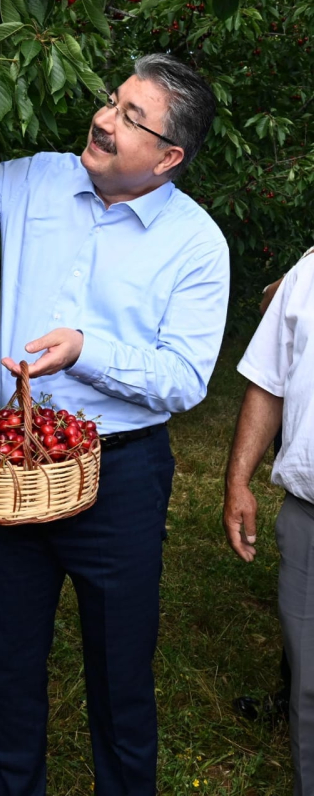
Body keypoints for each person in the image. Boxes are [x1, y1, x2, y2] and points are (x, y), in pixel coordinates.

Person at [0, 54, 229, 796]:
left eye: (132, 118)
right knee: (7, 669)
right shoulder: (39, 178)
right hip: (16, 469)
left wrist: (88, 351)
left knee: (121, 679)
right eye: (113, 102)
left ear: (170, 156)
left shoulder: (198, 247)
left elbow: (184, 379)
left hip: (122, 478)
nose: (105, 120)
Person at [224, 252, 314, 796]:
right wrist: (238, 480)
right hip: (309, 516)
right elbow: (268, 381)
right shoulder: (309, 273)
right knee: (308, 690)